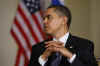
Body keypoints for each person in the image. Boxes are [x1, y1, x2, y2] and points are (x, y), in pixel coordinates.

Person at [29, 5, 98, 66]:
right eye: (44, 18)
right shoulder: (37, 48)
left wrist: (70, 56)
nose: (44, 21)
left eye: (49, 17)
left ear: (64, 20)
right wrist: (43, 58)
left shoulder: (84, 45)